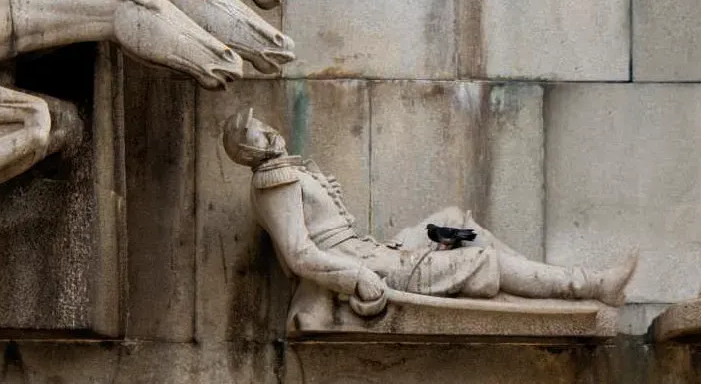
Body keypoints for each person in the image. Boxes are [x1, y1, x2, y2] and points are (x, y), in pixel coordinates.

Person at [222, 109, 635, 317]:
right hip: (373, 266)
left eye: (264, 125)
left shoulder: (284, 174)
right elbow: (298, 254)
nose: (270, 131)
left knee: (456, 221)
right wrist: (359, 278)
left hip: (375, 250)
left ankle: (532, 276)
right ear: (247, 150)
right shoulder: (272, 183)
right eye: (257, 132)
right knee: (480, 258)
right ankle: (589, 286)